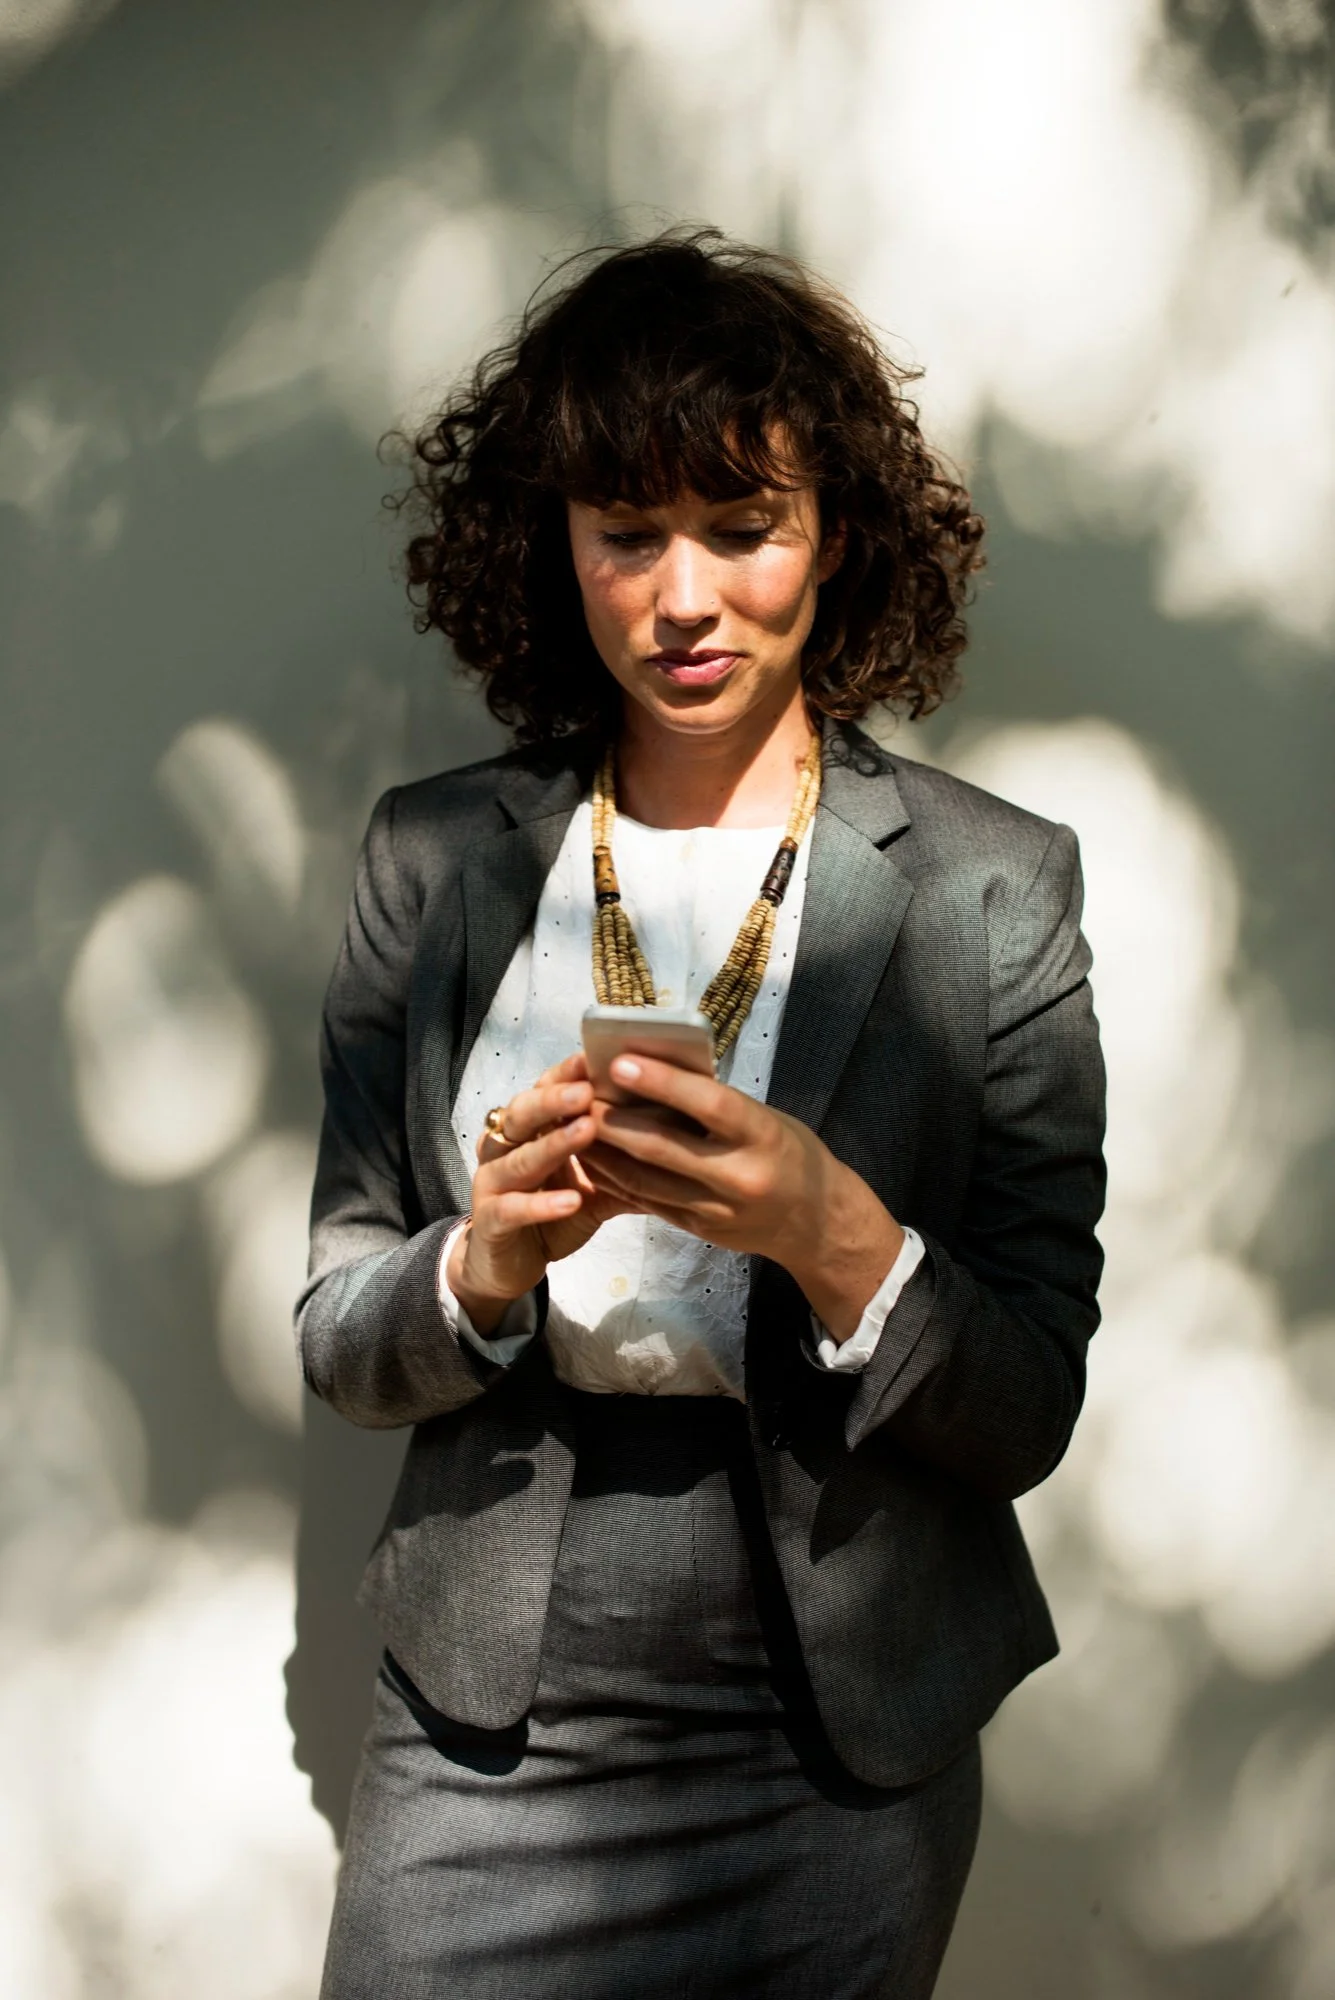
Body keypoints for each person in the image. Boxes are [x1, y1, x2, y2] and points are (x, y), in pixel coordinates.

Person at [302, 227, 1107, 1999]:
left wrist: (835, 1236)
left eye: (742, 528)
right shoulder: (432, 861)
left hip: (840, 1735)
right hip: (490, 1701)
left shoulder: (994, 891)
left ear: (837, 537)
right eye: (627, 532)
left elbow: (1027, 1402)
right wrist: (479, 1266)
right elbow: (339, 1338)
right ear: (555, 545)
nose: (682, 596)